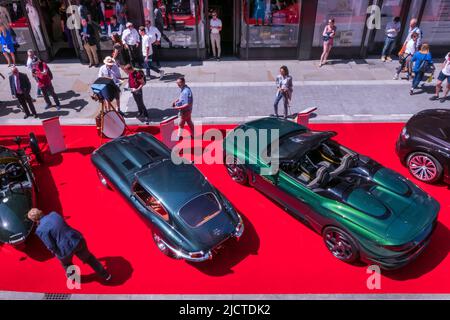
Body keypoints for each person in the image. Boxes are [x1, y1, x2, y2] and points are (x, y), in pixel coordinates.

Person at [27, 208, 111, 282]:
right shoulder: (54, 214)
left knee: (67, 264)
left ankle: (74, 277)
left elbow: (50, 245)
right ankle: (105, 275)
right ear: (40, 212)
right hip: (76, 239)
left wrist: (56, 253)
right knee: (89, 258)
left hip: (64, 250)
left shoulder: (40, 230)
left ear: (34, 220)